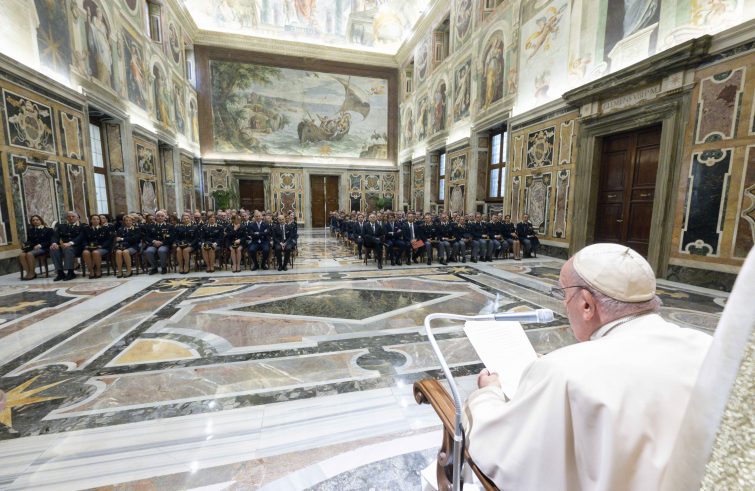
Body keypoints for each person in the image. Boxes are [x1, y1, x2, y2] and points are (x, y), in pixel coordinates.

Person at [462, 243, 713, 490]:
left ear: (586, 305)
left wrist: (488, 393)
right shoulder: (708, 347)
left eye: (564, 294)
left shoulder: (562, 371)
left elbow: (501, 448)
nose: (564, 304)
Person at [50, 211, 86, 281]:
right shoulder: (61, 226)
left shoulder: (82, 226)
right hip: (64, 246)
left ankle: (70, 272)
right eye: (69, 217)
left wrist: (70, 243)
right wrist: (54, 243)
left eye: (73, 216)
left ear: (77, 218)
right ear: (66, 218)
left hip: (77, 247)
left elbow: (81, 237)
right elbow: (55, 236)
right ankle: (60, 272)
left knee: (68, 249)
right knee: (53, 249)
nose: (71, 218)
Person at [18, 214, 53, 280]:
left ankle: (31, 273)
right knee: (21, 255)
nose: (35, 221)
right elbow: (29, 241)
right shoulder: (30, 230)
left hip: (44, 248)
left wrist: (40, 245)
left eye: (37, 220)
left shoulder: (48, 229)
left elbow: (50, 241)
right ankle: (29, 273)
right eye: (33, 220)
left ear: (41, 220)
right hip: (32, 248)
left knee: (29, 254)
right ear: (31, 222)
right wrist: (25, 245)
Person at [82, 214, 112, 279]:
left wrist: (101, 246)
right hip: (89, 247)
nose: (96, 220)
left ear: (99, 220)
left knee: (95, 252)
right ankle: (91, 270)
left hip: (102, 247)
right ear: (91, 220)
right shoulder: (86, 228)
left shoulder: (105, 228)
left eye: (97, 219)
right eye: (94, 219)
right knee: (85, 253)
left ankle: (98, 270)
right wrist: (85, 245)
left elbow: (109, 240)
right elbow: (84, 239)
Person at [144, 210, 173, 274]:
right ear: (155, 217)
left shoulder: (169, 226)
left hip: (165, 244)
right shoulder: (150, 226)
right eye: (158, 216)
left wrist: (162, 242)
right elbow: (146, 237)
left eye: (162, 216)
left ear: (165, 217)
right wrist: (154, 241)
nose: (160, 217)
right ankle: (154, 268)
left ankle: (163, 267)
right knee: (149, 251)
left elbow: (171, 238)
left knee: (161, 250)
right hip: (153, 244)